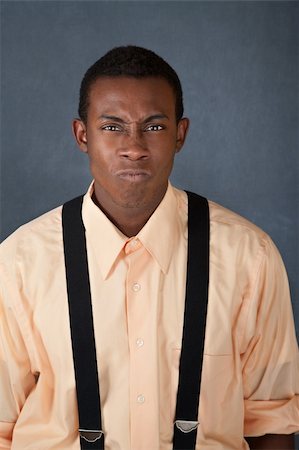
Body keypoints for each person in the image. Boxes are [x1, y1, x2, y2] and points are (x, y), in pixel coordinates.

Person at [0, 45, 298, 450]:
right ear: (82, 134)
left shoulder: (251, 258)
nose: (134, 146)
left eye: (154, 127)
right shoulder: (19, 262)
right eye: (112, 126)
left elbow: (272, 419)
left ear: (180, 134)